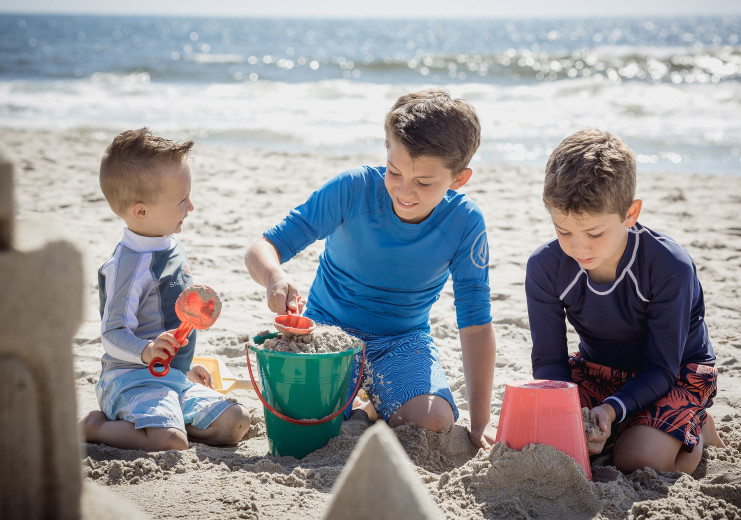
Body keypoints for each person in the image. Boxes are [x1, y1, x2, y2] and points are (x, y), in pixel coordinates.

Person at [245, 88, 496, 448]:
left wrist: (481, 420)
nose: (404, 191)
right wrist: (274, 277)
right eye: (394, 172)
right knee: (305, 419)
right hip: (326, 334)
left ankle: (377, 402)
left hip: (400, 341)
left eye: (424, 182)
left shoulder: (465, 222)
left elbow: (475, 325)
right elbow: (262, 247)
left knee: (435, 421)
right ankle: (363, 403)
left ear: (459, 179)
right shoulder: (353, 189)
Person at [525, 128, 725, 474]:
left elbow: (662, 367)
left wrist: (613, 410)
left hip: (675, 372)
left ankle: (696, 425)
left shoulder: (668, 266)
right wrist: (571, 414)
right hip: (598, 370)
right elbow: (548, 361)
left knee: (639, 461)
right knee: (540, 437)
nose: (579, 248)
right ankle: (634, 426)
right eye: (563, 230)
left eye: (595, 233)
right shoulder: (545, 267)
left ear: (630, 214)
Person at [81, 128, 250, 451]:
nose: (191, 207)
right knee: (170, 442)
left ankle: (164, 419)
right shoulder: (128, 266)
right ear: (141, 211)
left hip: (170, 376)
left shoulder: (170, 244)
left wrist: (186, 366)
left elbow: (168, 322)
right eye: (181, 200)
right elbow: (112, 333)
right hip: (131, 379)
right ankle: (96, 426)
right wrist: (146, 351)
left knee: (235, 421)